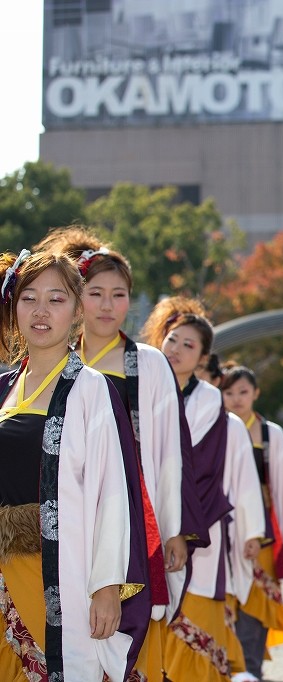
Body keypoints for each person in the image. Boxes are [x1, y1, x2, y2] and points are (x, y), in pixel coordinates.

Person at [34, 226, 208, 681]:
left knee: (133, 631)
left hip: (136, 513)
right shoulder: (54, 362)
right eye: (95, 293)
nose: (107, 305)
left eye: (119, 294)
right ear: (76, 297)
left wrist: (175, 530)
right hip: (69, 513)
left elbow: (171, 451)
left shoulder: (148, 362)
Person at [0, 249, 150, 681]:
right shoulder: (5, 387)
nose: (41, 312)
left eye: (56, 299)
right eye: (29, 298)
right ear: (14, 306)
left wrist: (107, 587)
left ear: (77, 310)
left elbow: (112, 494)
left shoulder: (91, 390)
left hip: (64, 570)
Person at [142, 298, 266, 682]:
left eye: (188, 345)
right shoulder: (140, 385)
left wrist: (251, 531)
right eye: (173, 340)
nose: (176, 350)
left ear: (203, 358)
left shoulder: (210, 400)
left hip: (193, 525)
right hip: (142, 519)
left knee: (195, 629)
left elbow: (198, 469)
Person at [220, 364, 283, 680]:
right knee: (227, 596)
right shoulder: (217, 428)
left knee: (256, 600)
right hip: (225, 525)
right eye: (228, 392)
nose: (236, 399)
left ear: (256, 393)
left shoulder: (271, 433)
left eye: (243, 392)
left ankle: (250, 668)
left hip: (265, 531)